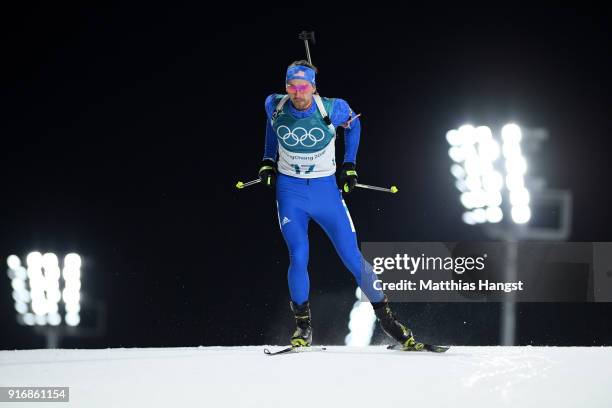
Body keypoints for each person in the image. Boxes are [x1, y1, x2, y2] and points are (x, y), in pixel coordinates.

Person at [259, 60, 423, 350]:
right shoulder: (274, 104)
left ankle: (390, 323)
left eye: (303, 86)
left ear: (313, 87)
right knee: (298, 254)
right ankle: (303, 326)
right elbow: (272, 129)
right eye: (292, 86)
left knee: (351, 257)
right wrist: (268, 161)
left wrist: (350, 164)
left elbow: (354, 124)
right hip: (290, 192)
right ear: (286, 86)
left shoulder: (332, 108)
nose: (297, 93)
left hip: (326, 192)